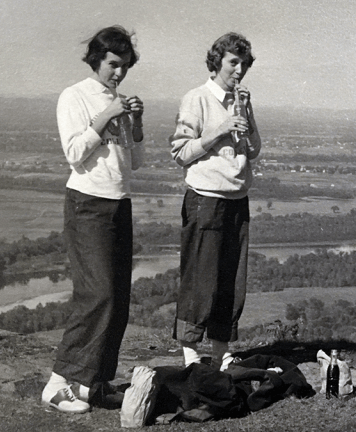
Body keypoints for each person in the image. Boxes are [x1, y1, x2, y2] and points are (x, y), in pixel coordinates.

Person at [41, 25, 145, 413]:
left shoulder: (115, 99)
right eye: (114, 65)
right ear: (97, 59)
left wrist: (134, 125)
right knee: (97, 293)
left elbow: (134, 161)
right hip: (88, 203)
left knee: (118, 298)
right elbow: (74, 152)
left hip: (119, 201)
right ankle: (57, 382)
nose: (119, 74)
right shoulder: (76, 96)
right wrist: (106, 116)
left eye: (125, 67)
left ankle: (90, 383)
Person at [169, 32, 261, 370]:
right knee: (200, 277)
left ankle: (221, 353)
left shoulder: (241, 100)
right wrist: (220, 129)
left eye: (244, 64)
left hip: (237, 197)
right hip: (205, 198)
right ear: (217, 62)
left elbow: (253, 150)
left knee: (231, 278)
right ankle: (191, 354)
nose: (239, 70)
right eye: (233, 62)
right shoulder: (197, 98)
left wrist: (247, 117)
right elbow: (180, 152)